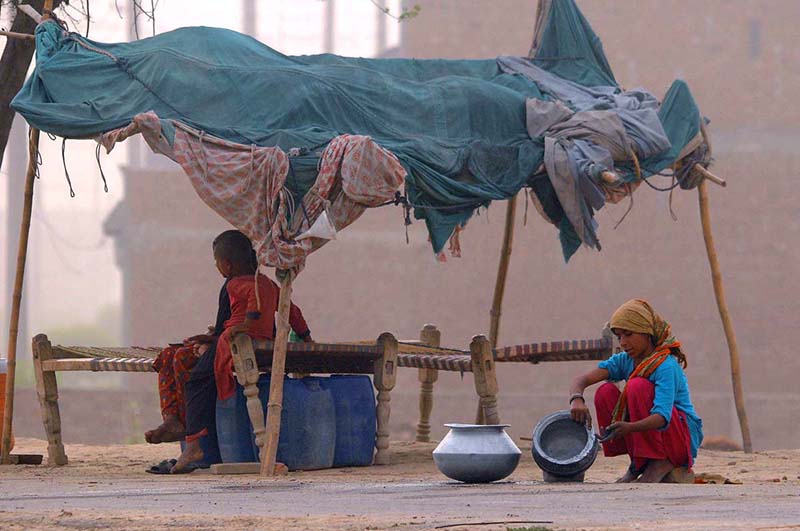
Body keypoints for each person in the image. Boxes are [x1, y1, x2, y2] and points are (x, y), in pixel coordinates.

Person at [171, 230, 312, 473]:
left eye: (217, 263)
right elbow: (292, 311)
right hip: (260, 344)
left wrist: (244, 326)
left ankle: (193, 444)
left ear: (226, 264)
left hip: (235, 344)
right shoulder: (267, 284)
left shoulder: (234, 285)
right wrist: (306, 337)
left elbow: (250, 313)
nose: (217, 268)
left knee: (196, 382)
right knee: (201, 370)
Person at [568, 299, 703, 483]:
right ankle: (639, 462)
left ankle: (661, 461)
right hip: (653, 431)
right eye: (619, 336)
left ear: (647, 333)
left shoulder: (666, 365)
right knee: (605, 391)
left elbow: (662, 417)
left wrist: (629, 428)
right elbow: (581, 380)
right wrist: (577, 399)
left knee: (636, 386)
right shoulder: (625, 360)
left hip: (679, 436)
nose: (623, 342)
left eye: (629, 335)